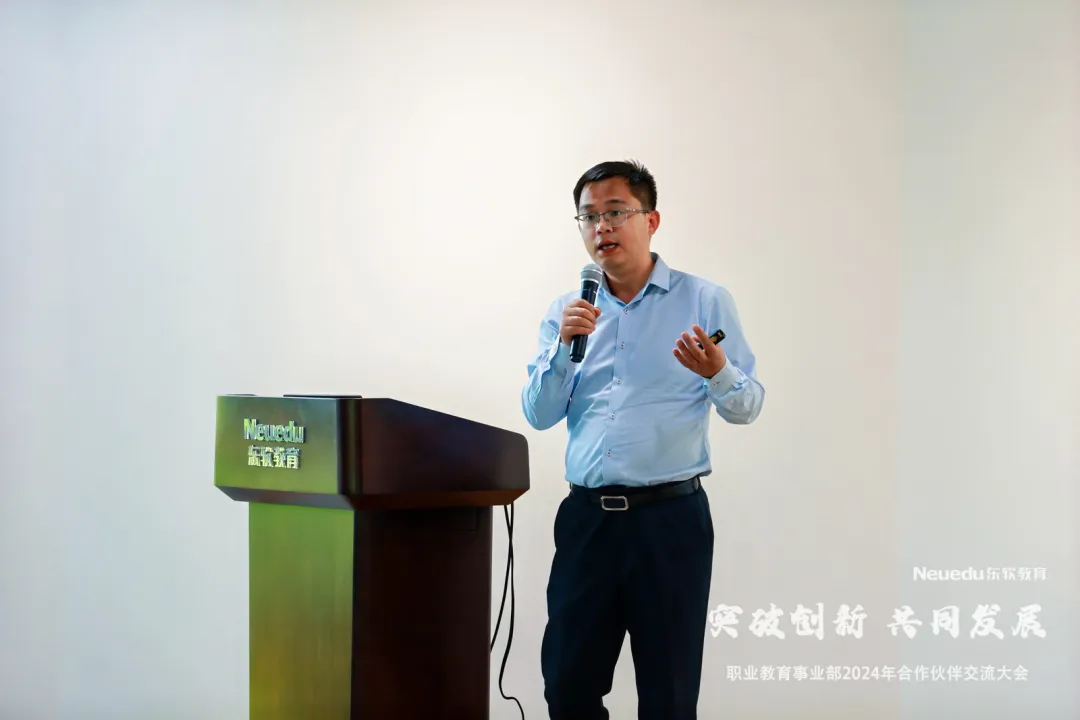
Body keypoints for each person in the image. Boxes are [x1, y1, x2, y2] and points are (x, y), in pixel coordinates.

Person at [521, 160, 765, 719]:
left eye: (615, 212)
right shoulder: (567, 312)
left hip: (669, 523)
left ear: (651, 220)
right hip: (587, 523)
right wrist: (563, 351)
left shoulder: (703, 301)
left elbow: (747, 406)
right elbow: (539, 414)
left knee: (668, 694)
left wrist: (717, 371)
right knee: (567, 685)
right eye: (588, 217)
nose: (601, 227)